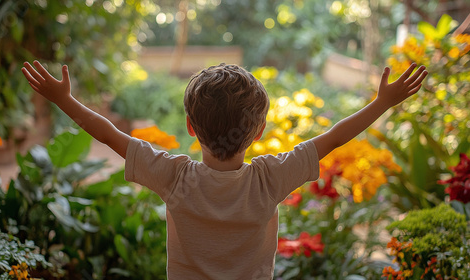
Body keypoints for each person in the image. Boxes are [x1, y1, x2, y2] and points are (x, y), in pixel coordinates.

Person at [22, 61, 427, 279]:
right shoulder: (270, 179)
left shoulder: (173, 177)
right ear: (259, 131)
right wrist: (381, 103)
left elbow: (109, 135)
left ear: (190, 128)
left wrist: (64, 100)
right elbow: (334, 138)